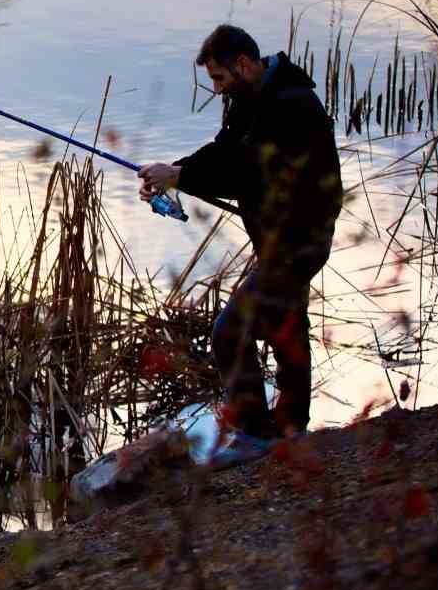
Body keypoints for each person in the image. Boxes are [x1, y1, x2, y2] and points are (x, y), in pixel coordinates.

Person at [137, 25, 343, 463]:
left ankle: (254, 434)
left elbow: (247, 171)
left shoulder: (292, 104)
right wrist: (172, 172)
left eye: (219, 79)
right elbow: (226, 150)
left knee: (230, 331)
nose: (216, 89)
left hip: (300, 239)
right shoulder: (247, 99)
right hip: (277, 239)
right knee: (287, 324)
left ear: (245, 64)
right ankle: (290, 428)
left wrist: (179, 177)